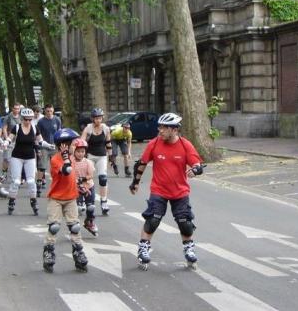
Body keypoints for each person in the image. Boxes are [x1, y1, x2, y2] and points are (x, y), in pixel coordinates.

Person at [129, 112, 205, 270]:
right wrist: (135, 182)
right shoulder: (154, 144)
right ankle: (143, 248)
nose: (160, 130)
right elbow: (141, 163)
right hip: (159, 190)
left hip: (180, 192)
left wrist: (196, 170)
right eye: (160, 127)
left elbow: (196, 163)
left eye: (164, 127)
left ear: (175, 129)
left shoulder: (185, 145)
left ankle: (189, 249)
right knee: (153, 220)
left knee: (185, 223)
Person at [42, 128, 88, 273]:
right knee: (54, 226)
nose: (73, 146)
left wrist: (81, 186)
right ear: (62, 145)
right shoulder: (55, 159)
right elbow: (66, 170)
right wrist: (65, 156)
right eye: (70, 144)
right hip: (56, 198)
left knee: (74, 227)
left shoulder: (72, 158)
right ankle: (48, 252)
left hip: (70, 198)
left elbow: (74, 176)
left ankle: (78, 252)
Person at [3, 108, 55, 216]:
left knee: (31, 181)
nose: (27, 122)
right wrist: (5, 143)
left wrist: (49, 145)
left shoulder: (35, 128)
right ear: (22, 118)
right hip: (17, 157)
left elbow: (40, 141)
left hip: (30, 157)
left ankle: (34, 202)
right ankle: (11, 201)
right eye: (26, 119)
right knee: (16, 181)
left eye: (30, 120)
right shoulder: (16, 128)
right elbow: (10, 138)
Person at [80, 108, 112, 215]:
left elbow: (108, 143)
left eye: (100, 118)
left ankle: (104, 201)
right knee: (86, 178)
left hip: (102, 156)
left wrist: (111, 158)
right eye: (96, 118)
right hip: (90, 155)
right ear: (92, 119)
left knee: (103, 178)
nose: (98, 120)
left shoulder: (106, 129)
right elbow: (82, 142)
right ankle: (83, 200)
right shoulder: (88, 128)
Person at [72, 138, 98, 236]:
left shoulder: (88, 162)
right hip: (76, 187)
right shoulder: (71, 162)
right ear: (74, 151)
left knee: (90, 207)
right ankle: (74, 223)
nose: (80, 154)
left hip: (88, 186)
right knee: (78, 207)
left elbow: (91, 175)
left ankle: (89, 222)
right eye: (78, 151)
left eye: (82, 151)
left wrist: (82, 179)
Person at [36, 104, 62, 197]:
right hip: (44, 146)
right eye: (47, 111)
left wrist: (60, 145)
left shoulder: (57, 120)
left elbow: (59, 132)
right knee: (42, 166)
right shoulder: (41, 122)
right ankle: (38, 183)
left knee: (56, 166)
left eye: (51, 111)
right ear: (45, 112)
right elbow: (38, 135)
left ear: (53, 111)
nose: (49, 113)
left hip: (54, 146)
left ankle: (57, 184)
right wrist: (39, 147)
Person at [1, 103, 22, 182]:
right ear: (12, 109)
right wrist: (7, 140)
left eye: (18, 109)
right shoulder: (8, 117)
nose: (16, 110)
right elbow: (4, 129)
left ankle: (16, 176)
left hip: (19, 142)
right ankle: (4, 174)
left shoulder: (21, 118)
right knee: (6, 158)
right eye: (15, 108)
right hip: (10, 141)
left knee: (17, 159)